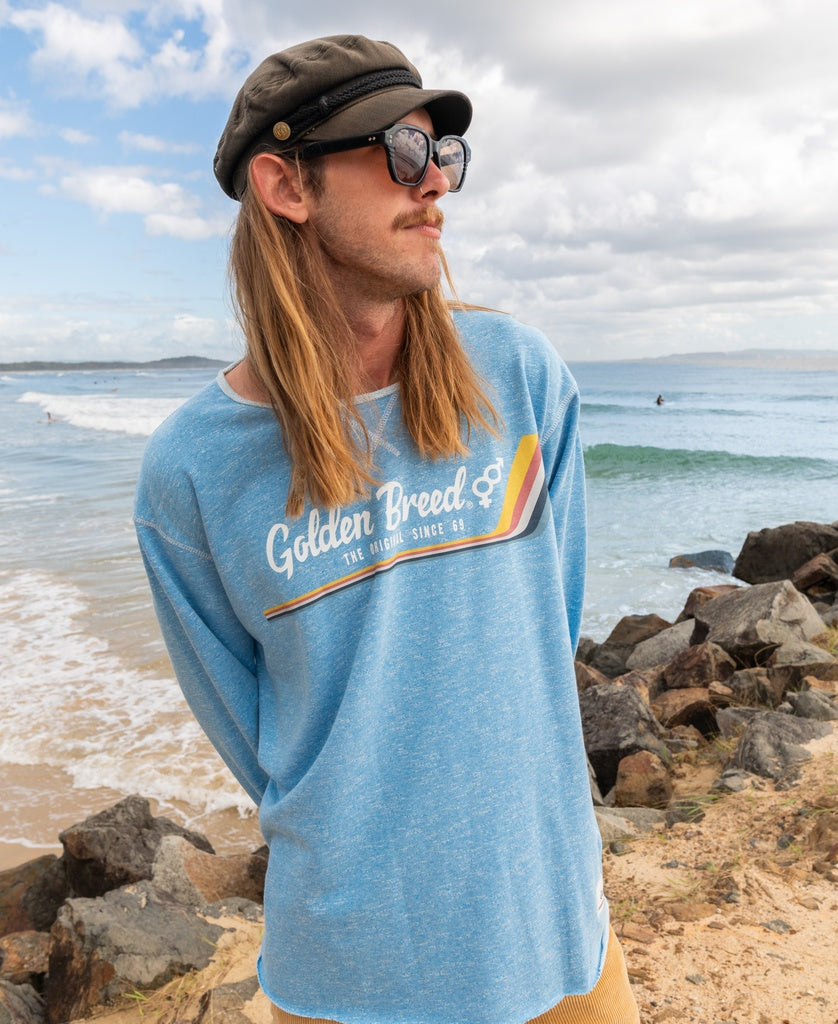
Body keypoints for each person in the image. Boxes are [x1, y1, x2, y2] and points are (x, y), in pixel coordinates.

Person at [134, 34, 639, 1024]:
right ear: (285, 184)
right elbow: (259, 739)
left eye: (441, 154)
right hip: (354, 968)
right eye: (398, 152)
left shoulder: (522, 378)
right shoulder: (191, 471)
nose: (434, 183)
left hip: (554, 930)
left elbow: (548, 623)